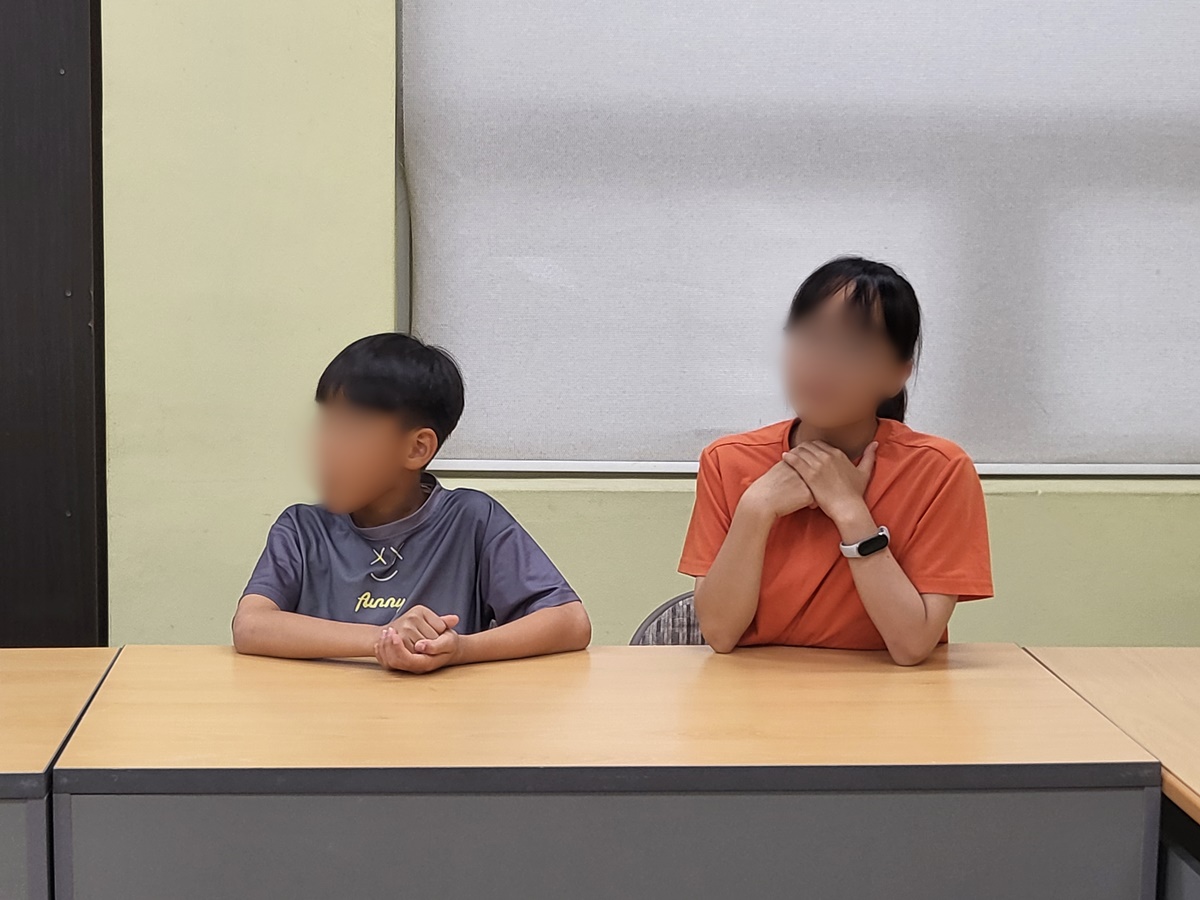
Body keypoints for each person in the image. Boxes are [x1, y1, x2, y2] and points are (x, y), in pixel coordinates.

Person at [679, 257, 992, 665]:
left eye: (852, 347)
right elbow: (720, 634)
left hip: (891, 695)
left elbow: (912, 645)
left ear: (897, 374)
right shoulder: (728, 461)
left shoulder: (940, 470)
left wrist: (849, 510)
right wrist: (756, 508)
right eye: (808, 339)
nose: (822, 364)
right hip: (754, 692)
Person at [233, 333, 591, 673]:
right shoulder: (302, 529)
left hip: (440, 711)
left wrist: (462, 650)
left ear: (417, 448)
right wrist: (383, 639)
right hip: (324, 711)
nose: (325, 447)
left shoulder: (471, 521)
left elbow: (570, 621)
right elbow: (251, 625)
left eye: (349, 431)